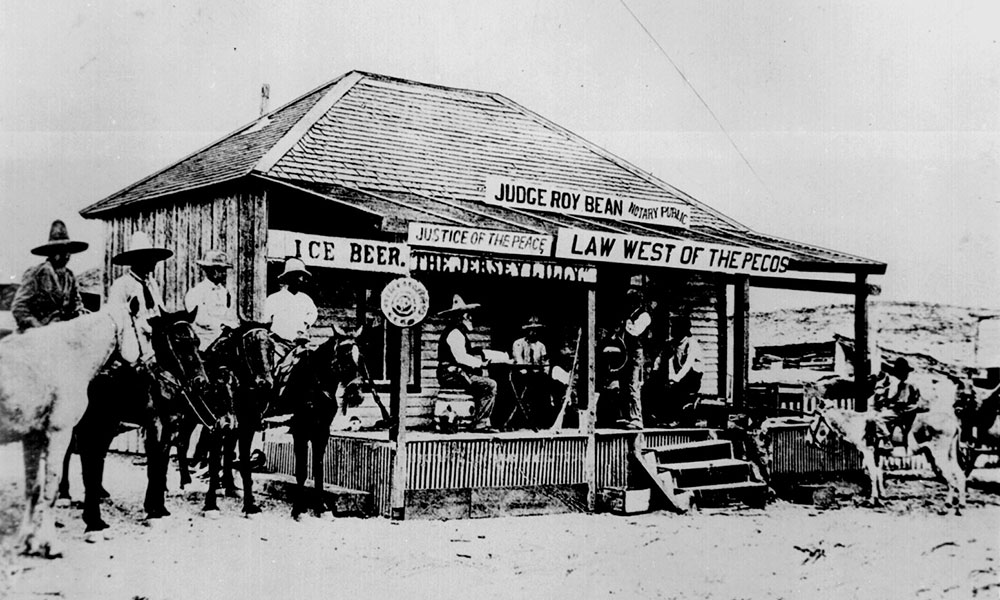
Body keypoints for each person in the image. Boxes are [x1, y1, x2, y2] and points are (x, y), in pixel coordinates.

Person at [11, 220, 89, 332]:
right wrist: (37, 328)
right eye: (61, 252)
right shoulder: (36, 274)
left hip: (61, 331)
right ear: (51, 253)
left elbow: (76, 303)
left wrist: (80, 313)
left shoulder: (70, 276)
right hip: (35, 332)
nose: (66, 256)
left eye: (68, 252)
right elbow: (19, 307)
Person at [436, 295, 498, 432]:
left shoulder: (457, 332)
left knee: (481, 382)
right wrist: (481, 364)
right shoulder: (455, 333)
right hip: (452, 375)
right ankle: (480, 423)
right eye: (468, 316)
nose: (470, 318)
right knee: (490, 385)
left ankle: (473, 419)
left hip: (455, 373)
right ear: (461, 317)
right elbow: (461, 357)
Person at [107, 231, 173, 360]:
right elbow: (115, 318)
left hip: (155, 341)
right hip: (132, 343)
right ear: (138, 261)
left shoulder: (152, 283)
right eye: (150, 259)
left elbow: (160, 310)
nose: (154, 262)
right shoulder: (122, 284)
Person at [650, 314, 704, 426]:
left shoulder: (691, 343)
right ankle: (659, 416)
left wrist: (675, 379)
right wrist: (655, 372)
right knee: (656, 386)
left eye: (675, 327)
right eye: (672, 327)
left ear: (683, 329)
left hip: (692, 378)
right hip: (677, 376)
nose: (672, 330)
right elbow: (662, 359)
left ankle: (676, 418)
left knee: (677, 389)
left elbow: (688, 365)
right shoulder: (671, 344)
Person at [263, 257, 317, 362]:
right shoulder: (274, 298)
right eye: (296, 276)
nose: (300, 280)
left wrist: (305, 324)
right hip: (278, 346)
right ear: (288, 278)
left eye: (301, 276)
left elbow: (313, 313)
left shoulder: (305, 299)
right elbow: (266, 321)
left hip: (299, 345)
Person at [184, 250, 238, 351]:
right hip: (205, 341)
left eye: (224, 270)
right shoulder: (196, 292)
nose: (224, 274)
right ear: (208, 270)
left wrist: (233, 325)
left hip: (226, 337)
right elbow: (200, 319)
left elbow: (229, 314)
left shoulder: (224, 292)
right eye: (219, 270)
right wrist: (222, 325)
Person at [616, 287, 651, 430]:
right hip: (625, 352)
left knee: (633, 384)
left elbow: (635, 331)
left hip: (636, 352)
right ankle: (626, 415)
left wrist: (626, 322)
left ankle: (637, 418)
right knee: (623, 384)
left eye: (631, 301)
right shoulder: (629, 315)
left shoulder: (644, 316)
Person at [872, 357, 924, 451]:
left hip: (903, 411)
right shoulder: (908, 384)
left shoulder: (905, 385)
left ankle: (887, 441)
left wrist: (888, 403)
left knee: (878, 419)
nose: (906, 374)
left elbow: (901, 403)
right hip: (909, 410)